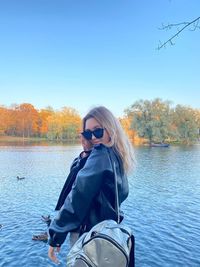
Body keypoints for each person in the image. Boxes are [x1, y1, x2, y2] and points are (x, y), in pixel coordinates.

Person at [48, 106, 135, 264]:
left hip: (87, 235)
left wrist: (56, 235)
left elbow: (77, 195)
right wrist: (86, 154)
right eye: (88, 133)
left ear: (110, 128)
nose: (93, 137)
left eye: (98, 131)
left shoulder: (101, 154)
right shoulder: (117, 156)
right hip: (107, 235)